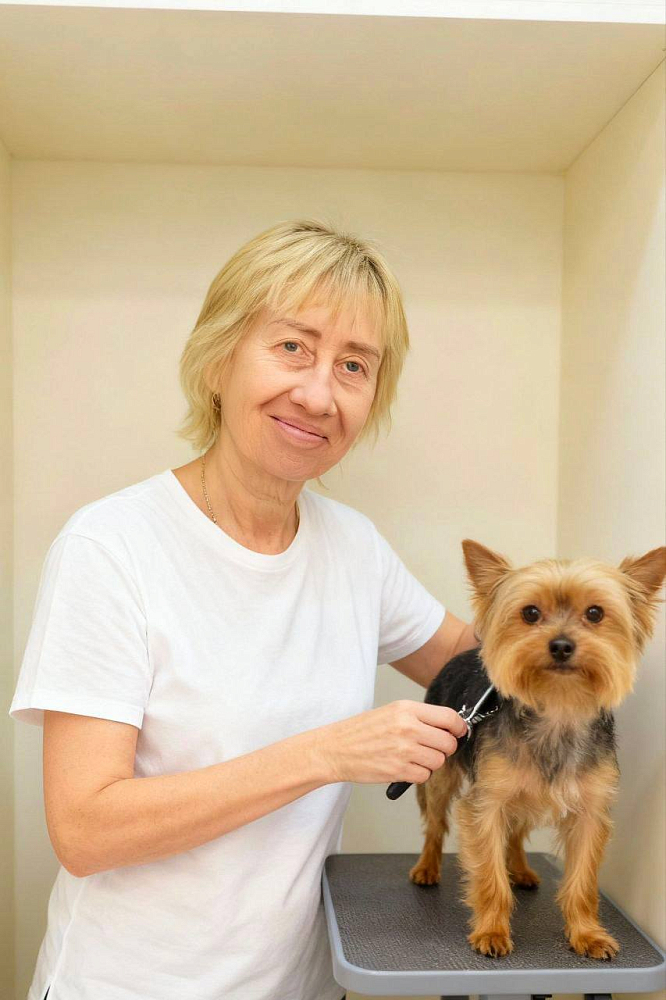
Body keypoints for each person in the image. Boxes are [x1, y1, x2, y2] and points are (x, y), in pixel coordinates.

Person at [10, 218, 476, 1000]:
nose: (318, 394)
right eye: (292, 346)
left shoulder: (354, 548)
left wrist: (594, 613)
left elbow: (483, 663)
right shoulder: (112, 545)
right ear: (219, 356)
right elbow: (85, 830)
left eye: (353, 365)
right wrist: (326, 754)